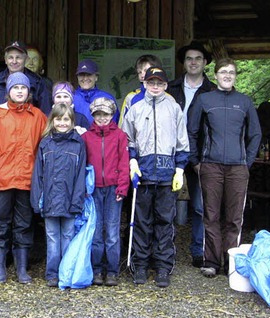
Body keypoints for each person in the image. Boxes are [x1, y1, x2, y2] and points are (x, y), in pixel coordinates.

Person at [187, 58, 262, 278]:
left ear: (235, 76)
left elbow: (255, 134)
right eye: (223, 72)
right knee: (210, 215)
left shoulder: (245, 102)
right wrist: (196, 161)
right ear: (216, 74)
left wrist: (246, 162)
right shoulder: (205, 100)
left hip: (238, 168)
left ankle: (231, 262)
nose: (227, 75)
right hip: (210, 165)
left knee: (234, 218)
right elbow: (192, 132)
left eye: (231, 72)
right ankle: (211, 262)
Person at [0, 72, 47, 284]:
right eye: (15, 88)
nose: (19, 91)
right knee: (0, 222)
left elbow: (45, 149)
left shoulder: (38, 117)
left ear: (29, 92)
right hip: (2, 179)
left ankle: (22, 269)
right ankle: (0, 268)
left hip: (27, 180)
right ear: (8, 91)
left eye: (23, 88)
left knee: (24, 224)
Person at [121, 66, 189, 288]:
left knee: (164, 222)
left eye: (160, 83)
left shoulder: (174, 109)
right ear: (145, 83)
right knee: (141, 222)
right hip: (143, 175)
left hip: (167, 176)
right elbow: (126, 139)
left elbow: (182, 141)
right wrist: (131, 161)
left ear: (166, 85)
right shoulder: (135, 108)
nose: (156, 86)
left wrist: (180, 168)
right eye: (152, 82)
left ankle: (162, 266)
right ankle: (139, 265)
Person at [166, 42, 216, 268]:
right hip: (172, 151)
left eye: (198, 58)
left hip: (200, 153)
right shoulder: (172, 88)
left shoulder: (213, 91)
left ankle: (198, 250)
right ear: (183, 62)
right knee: (165, 202)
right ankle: (165, 249)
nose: (193, 62)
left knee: (199, 205)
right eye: (189, 58)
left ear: (205, 63)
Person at [31, 103, 87, 287]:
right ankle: (52, 273)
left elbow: (80, 175)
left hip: (70, 199)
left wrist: (77, 200)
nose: (62, 123)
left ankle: (67, 271)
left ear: (72, 121)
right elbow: (38, 174)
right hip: (49, 200)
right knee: (53, 238)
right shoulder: (45, 143)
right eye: (58, 119)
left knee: (68, 237)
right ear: (52, 120)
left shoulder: (78, 143)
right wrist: (37, 199)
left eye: (66, 119)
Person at [81, 97, 129, 287]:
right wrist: (84, 187)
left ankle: (112, 271)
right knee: (95, 232)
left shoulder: (120, 135)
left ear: (112, 115)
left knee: (112, 232)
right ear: (93, 115)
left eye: (106, 114)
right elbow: (83, 165)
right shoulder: (86, 137)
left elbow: (124, 163)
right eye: (98, 114)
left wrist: (122, 187)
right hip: (93, 189)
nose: (102, 118)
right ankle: (97, 269)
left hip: (113, 188)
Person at [0, 40, 52, 136]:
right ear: (5, 59)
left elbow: (46, 116)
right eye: (10, 57)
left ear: (25, 59)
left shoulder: (37, 83)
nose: (14, 61)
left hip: (28, 139)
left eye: (18, 57)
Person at [117, 54, 162, 126]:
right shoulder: (131, 97)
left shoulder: (168, 98)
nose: (142, 75)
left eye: (146, 70)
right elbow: (123, 125)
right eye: (139, 72)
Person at [73, 59, 119, 124]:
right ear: (77, 77)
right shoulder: (69, 97)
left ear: (96, 77)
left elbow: (114, 124)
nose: (85, 78)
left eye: (89, 74)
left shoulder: (107, 97)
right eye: (82, 74)